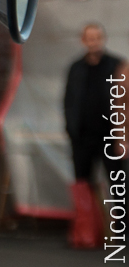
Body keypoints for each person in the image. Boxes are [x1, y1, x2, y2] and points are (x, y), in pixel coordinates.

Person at [64, 22, 126, 248]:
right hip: (83, 136)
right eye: (90, 38)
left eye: (97, 37)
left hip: (110, 135)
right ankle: (87, 229)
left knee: (117, 182)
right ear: (83, 40)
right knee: (83, 183)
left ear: (103, 39)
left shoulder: (116, 65)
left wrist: (122, 134)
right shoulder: (76, 68)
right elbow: (69, 101)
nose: (94, 42)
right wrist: (71, 129)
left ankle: (120, 231)